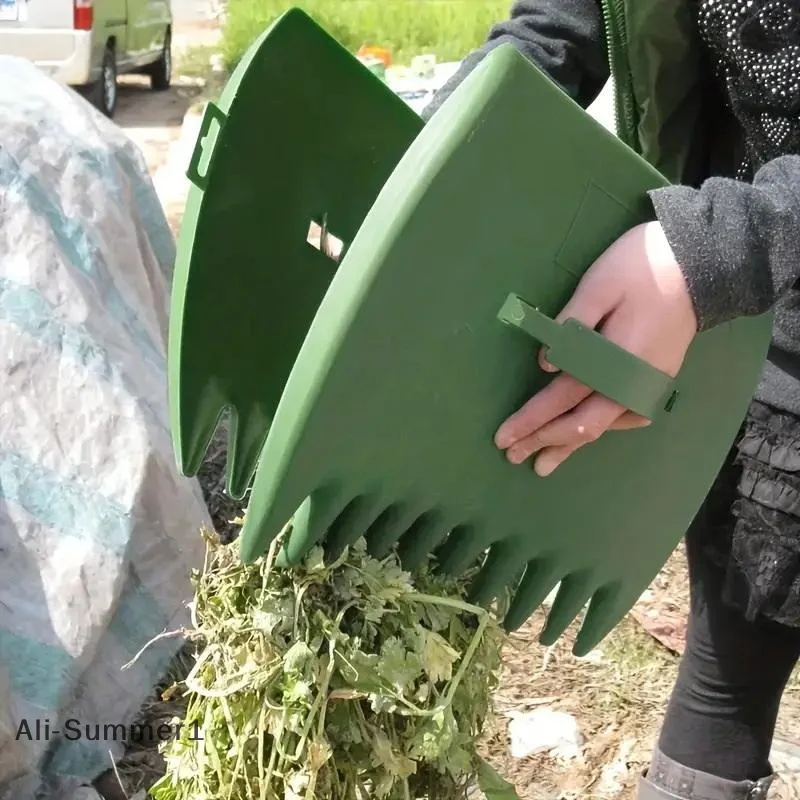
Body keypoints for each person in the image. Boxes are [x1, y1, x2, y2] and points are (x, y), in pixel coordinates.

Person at [422, 1, 800, 798]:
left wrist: (717, 247)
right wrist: (424, 165)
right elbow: (556, 32)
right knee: (729, 662)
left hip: (738, 256)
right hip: (750, 320)